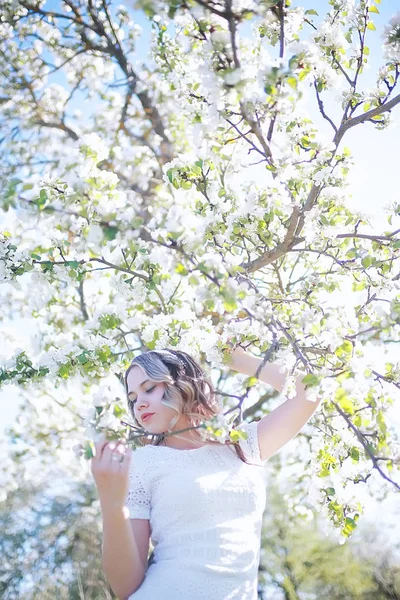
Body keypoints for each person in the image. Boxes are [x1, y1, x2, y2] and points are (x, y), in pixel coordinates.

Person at [91, 346, 321, 600]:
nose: (139, 403)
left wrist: (238, 360)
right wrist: (112, 505)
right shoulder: (141, 463)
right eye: (133, 398)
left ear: (183, 382)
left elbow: (311, 390)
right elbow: (126, 587)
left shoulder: (240, 446)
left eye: (149, 388)